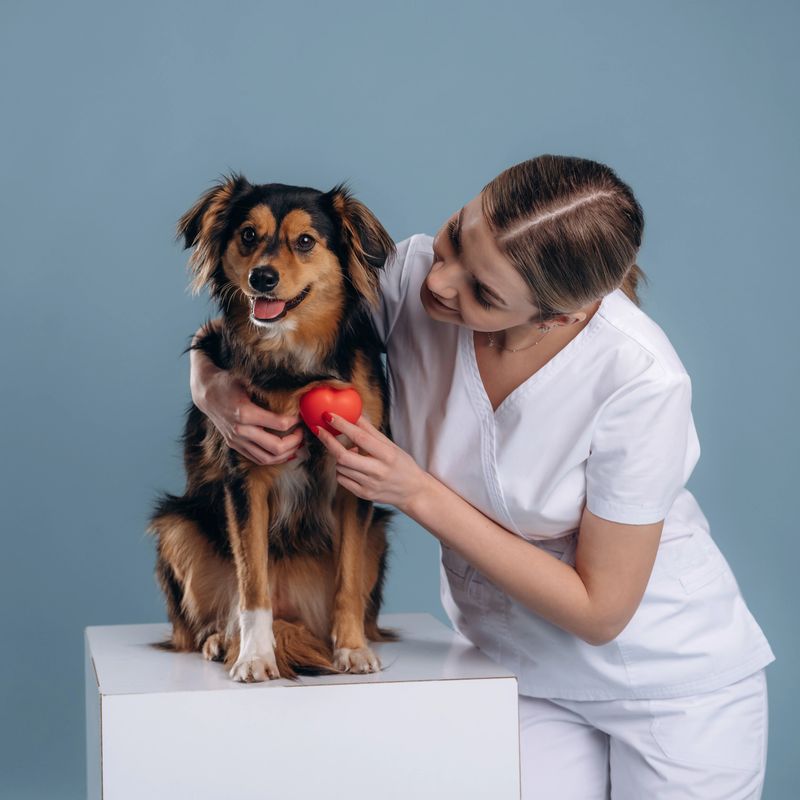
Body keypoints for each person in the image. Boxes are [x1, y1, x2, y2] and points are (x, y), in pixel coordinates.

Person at [188, 155, 775, 799]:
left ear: (558, 316)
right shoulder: (411, 278)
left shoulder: (639, 380)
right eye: (455, 239)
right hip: (511, 671)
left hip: (666, 683)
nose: (441, 284)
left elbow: (601, 610)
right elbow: (257, 311)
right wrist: (212, 387)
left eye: (483, 294)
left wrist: (414, 492)